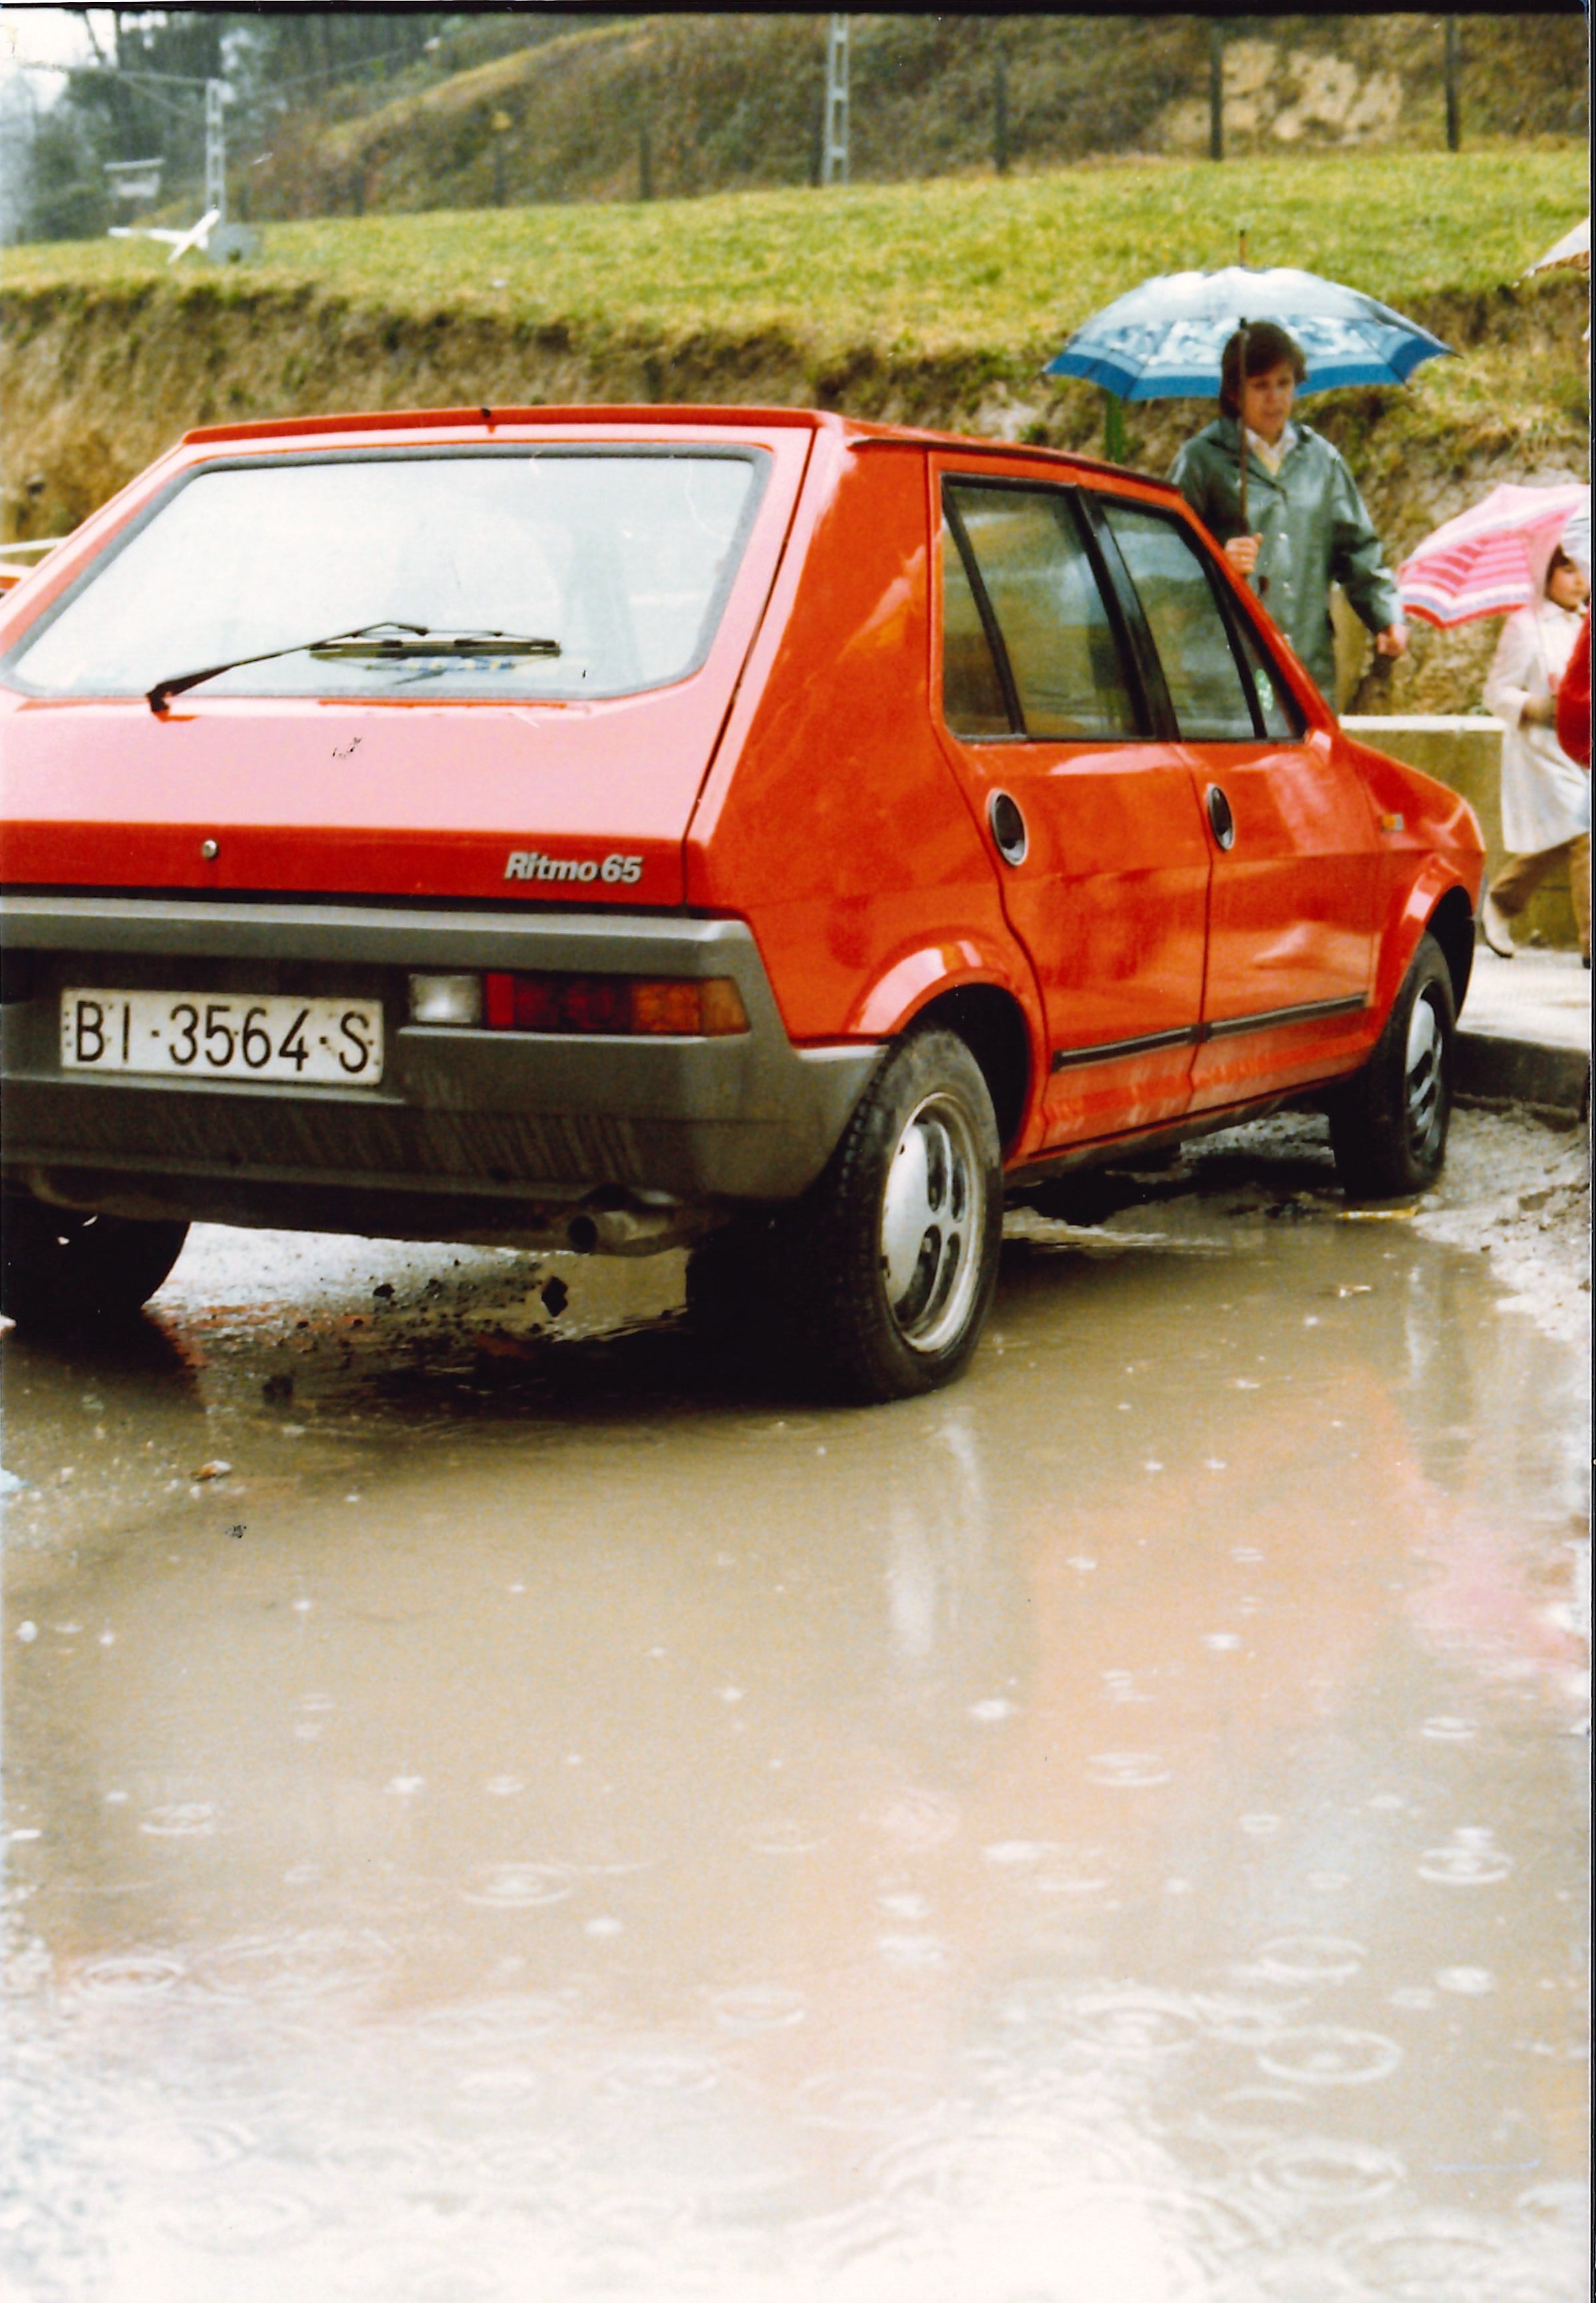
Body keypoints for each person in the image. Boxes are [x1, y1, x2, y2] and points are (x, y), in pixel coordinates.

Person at [1170, 320, 1408, 706]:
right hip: (1228, 673)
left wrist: (1386, 615)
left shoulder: (1322, 461)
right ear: (1233, 393)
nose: (1274, 398)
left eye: (1284, 383)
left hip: (1306, 667)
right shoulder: (1201, 460)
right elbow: (1161, 557)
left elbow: (1359, 550)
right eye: (1260, 385)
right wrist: (1217, 560)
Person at [1478, 540, 1591, 966]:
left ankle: (1503, 902)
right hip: (1540, 749)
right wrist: (1536, 707)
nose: (1580, 579)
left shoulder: (1586, 621)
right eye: (1567, 570)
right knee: (1584, 834)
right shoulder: (1525, 626)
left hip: (1579, 745)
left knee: (1569, 835)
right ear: (1544, 574)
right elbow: (1495, 692)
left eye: (1584, 568)